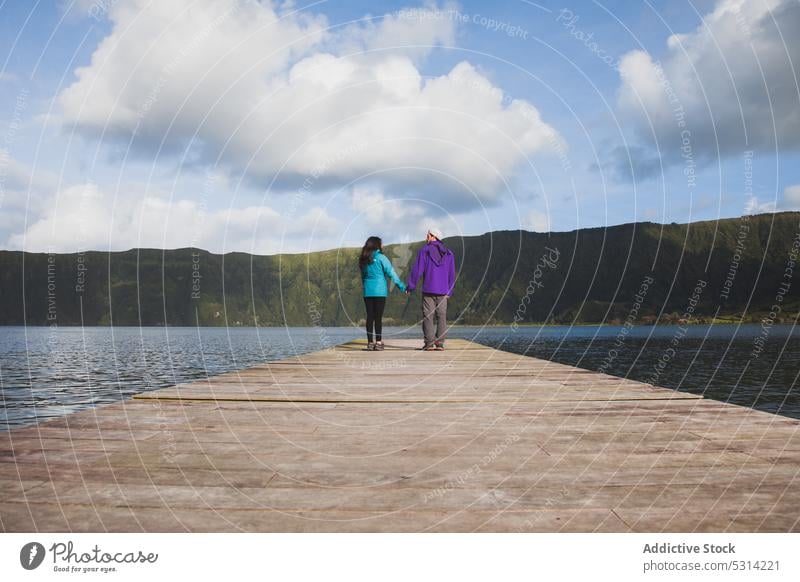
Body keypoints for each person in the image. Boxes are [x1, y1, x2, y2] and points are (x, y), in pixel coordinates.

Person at [405, 227, 456, 351]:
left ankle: (429, 343)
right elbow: (452, 274)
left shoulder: (425, 251)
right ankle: (439, 344)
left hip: (428, 289)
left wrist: (411, 286)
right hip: (443, 291)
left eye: (428, 235)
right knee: (442, 316)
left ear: (434, 236)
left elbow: (417, 270)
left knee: (428, 316)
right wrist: (450, 290)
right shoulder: (449, 253)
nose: (426, 237)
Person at [359, 236, 406, 351]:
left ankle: (370, 343)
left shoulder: (363, 259)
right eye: (381, 243)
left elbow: (363, 276)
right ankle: (379, 343)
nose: (383, 245)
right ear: (377, 245)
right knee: (378, 317)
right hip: (380, 292)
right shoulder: (381, 258)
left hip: (368, 292)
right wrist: (402, 287)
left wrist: (366, 286)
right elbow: (392, 273)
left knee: (370, 317)